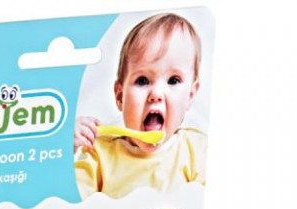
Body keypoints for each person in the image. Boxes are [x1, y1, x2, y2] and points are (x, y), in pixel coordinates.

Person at [75, 13, 207, 199]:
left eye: (173, 80)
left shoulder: (196, 151)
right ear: (120, 96)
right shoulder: (98, 154)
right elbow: (69, 203)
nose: (156, 94)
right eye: (143, 81)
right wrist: (64, 147)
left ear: (190, 95)